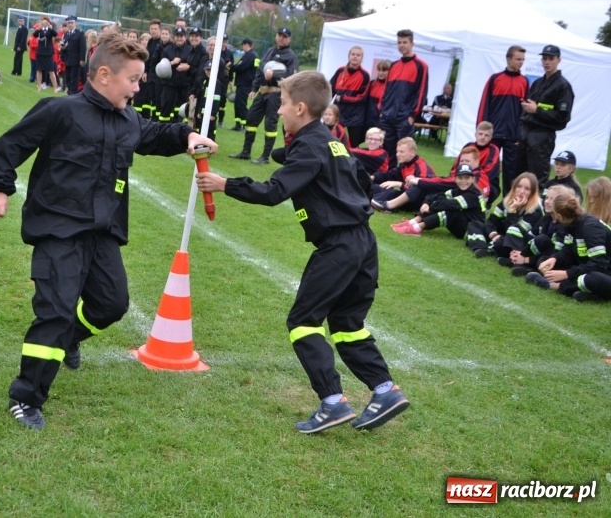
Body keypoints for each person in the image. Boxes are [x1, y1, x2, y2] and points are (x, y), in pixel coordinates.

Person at [0, 34, 218, 430]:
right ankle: (26, 397)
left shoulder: (127, 119)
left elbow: (154, 135)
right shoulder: (60, 111)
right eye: (133, 80)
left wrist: (186, 136)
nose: (138, 88)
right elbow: (11, 145)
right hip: (58, 230)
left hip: (102, 232)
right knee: (55, 312)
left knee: (111, 304)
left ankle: (69, 338)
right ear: (104, 75)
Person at [196, 70, 410, 434]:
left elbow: (274, 192)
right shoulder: (331, 142)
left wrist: (224, 183)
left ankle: (333, 401)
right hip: (363, 241)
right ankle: (385, 390)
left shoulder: (309, 147)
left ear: (299, 108)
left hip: (339, 245)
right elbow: (360, 180)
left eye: (282, 104)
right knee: (347, 323)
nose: (278, 111)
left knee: (303, 321)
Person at [229, 27, 299, 165]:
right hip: (262, 92)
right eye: (279, 35)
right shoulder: (270, 51)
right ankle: (246, 152)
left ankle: (265, 157)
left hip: (276, 94)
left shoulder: (291, 56)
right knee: (251, 119)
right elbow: (260, 71)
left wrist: (274, 75)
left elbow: (292, 76)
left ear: (289, 39)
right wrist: (254, 88)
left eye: (284, 36)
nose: (281, 38)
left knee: (270, 124)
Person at [526, 194, 611, 301]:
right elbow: (568, 251)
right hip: (589, 266)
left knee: (591, 279)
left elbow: (599, 264)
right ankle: (590, 294)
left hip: (605, 271)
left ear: (559, 216)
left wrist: (567, 274)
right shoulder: (570, 224)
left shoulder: (590, 227)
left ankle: (554, 286)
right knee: (550, 260)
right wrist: (554, 258)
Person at [516, 45, 574, 188]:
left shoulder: (563, 86)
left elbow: (562, 118)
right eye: (544, 58)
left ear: (558, 60)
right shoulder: (537, 83)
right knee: (520, 178)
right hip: (526, 136)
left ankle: (538, 203)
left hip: (542, 137)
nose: (547, 62)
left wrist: (537, 110)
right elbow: (527, 109)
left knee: (537, 180)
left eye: (551, 59)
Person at [404, 122, 501, 206]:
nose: (483, 137)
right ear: (475, 134)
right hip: (460, 180)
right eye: (480, 134)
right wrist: (455, 178)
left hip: (483, 185)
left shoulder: (493, 150)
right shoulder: (468, 146)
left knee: (441, 188)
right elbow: (456, 167)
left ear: (491, 137)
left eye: (486, 135)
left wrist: (462, 177)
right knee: (434, 187)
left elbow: (487, 173)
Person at [477, 45, 528, 196]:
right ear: (508, 59)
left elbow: (525, 112)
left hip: (513, 135)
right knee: (489, 170)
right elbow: (484, 104)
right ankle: (486, 198)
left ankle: (508, 203)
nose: (521, 62)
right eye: (518, 59)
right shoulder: (495, 79)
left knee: (511, 173)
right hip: (494, 134)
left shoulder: (524, 81)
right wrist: (482, 130)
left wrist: (521, 134)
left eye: (523, 60)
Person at [392, 163, 486, 238]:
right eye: (460, 178)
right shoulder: (459, 190)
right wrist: (427, 203)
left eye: (467, 178)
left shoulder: (473, 194)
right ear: (455, 179)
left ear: (473, 179)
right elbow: (439, 195)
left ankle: (416, 228)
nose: (463, 181)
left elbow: (450, 204)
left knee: (451, 211)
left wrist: (432, 205)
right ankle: (412, 223)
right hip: (463, 224)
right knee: (441, 202)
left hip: (471, 232)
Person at [378, 29, 428, 167]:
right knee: (387, 152)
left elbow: (422, 92)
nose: (401, 45)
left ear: (412, 44)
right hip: (388, 116)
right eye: (399, 42)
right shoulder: (394, 65)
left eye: (405, 42)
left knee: (405, 153)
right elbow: (386, 90)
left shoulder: (421, 66)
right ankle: (388, 176)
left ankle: (405, 178)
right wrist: (382, 110)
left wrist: (412, 116)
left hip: (404, 117)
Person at [465, 172, 543, 259]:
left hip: (517, 243)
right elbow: (492, 221)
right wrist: (493, 234)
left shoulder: (535, 211)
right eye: (519, 186)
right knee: (475, 224)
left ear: (532, 192)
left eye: (527, 189)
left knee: (501, 242)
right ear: (514, 187)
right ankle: (480, 247)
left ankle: (480, 243)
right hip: (501, 235)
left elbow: (513, 232)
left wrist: (513, 211)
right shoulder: (507, 201)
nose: (521, 191)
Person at [506, 185, 574, 275]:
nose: (547, 201)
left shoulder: (564, 224)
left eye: (552, 199)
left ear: (561, 203)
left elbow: (557, 254)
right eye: (547, 198)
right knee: (509, 237)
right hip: (542, 256)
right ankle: (517, 260)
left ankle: (529, 269)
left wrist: (526, 259)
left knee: (542, 239)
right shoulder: (546, 218)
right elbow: (530, 238)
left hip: (556, 260)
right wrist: (520, 253)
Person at [370, 137, 436, 212]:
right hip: (407, 195)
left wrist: (400, 184)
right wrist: (373, 177)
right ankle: (367, 198)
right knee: (380, 187)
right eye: (397, 151)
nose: (397, 154)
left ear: (412, 152)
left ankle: (373, 202)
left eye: (401, 152)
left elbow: (421, 189)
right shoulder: (405, 165)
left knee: (392, 193)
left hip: (420, 202)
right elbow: (390, 175)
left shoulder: (421, 166)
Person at [329, 46, 370, 147]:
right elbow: (331, 88)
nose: (355, 57)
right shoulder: (340, 71)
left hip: (355, 115)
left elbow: (362, 97)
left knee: (354, 145)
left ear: (362, 58)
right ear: (349, 56)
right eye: (353, 54)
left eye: (358, 55)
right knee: (333, 141)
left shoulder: (365, 75)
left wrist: (343, 98)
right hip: (339, 112)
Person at [159, 27, 191, 123]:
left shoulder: (190, 50)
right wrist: (172, 63)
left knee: (182, 109)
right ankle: (163, 127)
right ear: (174, 37)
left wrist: (187, 66)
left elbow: (194, 65)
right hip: (169, 84)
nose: (179, 38)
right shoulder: (167, 50)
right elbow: (160, 66)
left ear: (185, 37)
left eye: (181, 36)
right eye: (177, 36)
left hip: (184, 85)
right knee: (166, 108)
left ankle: (180, 128)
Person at [229, 37, 259, 132]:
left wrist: (231, 66)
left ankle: (246, 125)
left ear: (246, 45)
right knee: (238, 104)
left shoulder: (250, 55)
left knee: (241, 105)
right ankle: (238, 124)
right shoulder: (252, 55)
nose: (242, 47)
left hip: (245, 84)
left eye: (243, 45)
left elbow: (240, 67)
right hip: (244, 83)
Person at [33, 17, 59, 94]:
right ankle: (39, 86)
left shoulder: (50, 31)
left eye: (45, 23)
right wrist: (39, 28)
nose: (44, 24)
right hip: (40, 52)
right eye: (42, 22)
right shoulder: (40, 30)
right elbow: (34, 35)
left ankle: (55, 87)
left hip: (48, 53)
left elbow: (55, 34)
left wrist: (50, 28)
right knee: (39, 69)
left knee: (51, 70)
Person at [61, 16, 86, 95]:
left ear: (75, 24)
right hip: (68, 59)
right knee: (68, 77)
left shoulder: (80, 33)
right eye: (69, 23)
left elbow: (83, 47)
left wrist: (82, 59)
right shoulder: (66, 34)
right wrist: (63, 52)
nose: (70, 24)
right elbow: (63, 45)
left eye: (72, 23)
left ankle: (73, 94)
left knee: (74, 78)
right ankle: (69, 93)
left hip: (76, 60)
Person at [365, 60, 391, 130]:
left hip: (381, 122)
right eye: (379, 70)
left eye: (384, 70)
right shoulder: (372, 83)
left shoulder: (391, 87)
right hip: (368, 120)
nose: (381, 73)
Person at [216, 35, 235, 127]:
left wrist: (231, 80)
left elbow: (231, 68)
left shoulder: (229, 53)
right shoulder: (216, 51)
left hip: (224, 80)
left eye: (225, 42)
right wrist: (224, 65)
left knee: (222, 100)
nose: (224, 43)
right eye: (222, 41)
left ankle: (221, 120)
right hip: (215, 78)